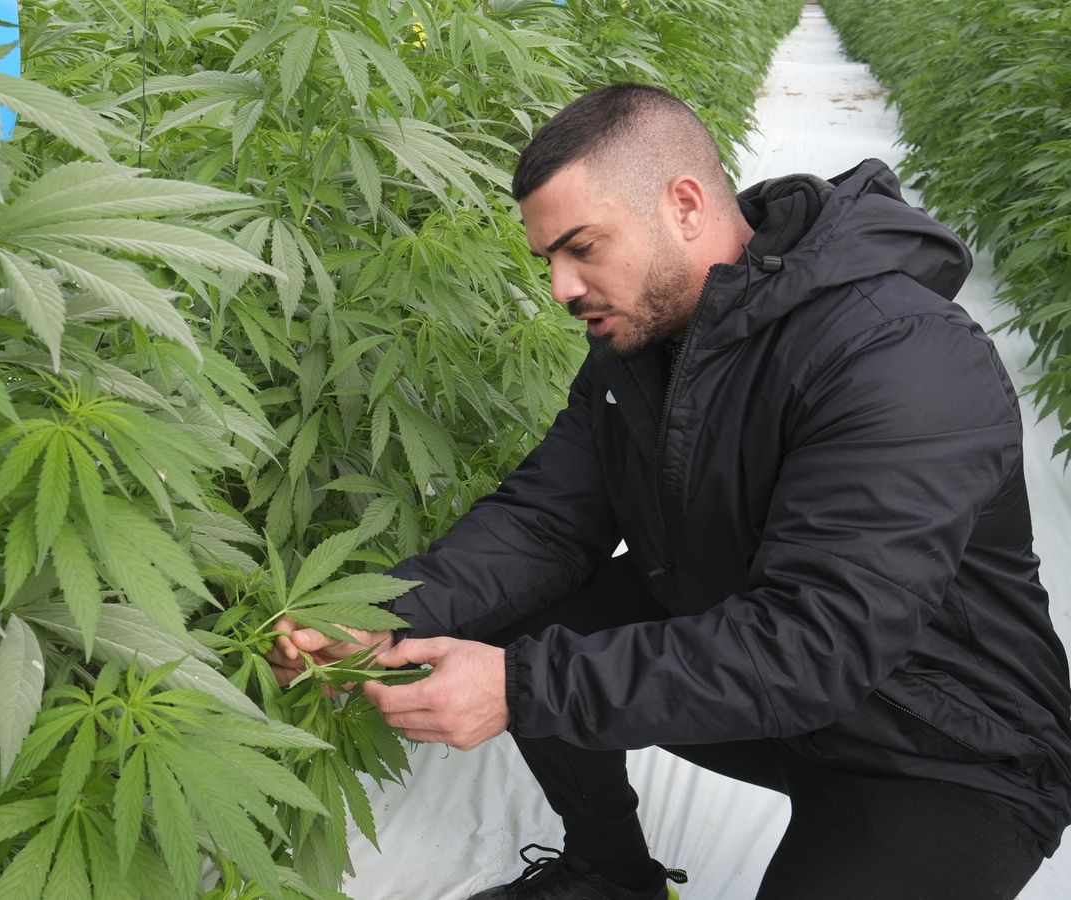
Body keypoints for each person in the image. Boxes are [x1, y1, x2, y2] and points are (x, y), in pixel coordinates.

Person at [268, 83, 1071, 900]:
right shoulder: (640, 347)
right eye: (549, 260)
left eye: (582, 247)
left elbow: (817, 645)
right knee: (525, 617)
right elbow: (545, 521)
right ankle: (611, 876)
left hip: (939, 748)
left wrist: (518, 687)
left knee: (533, 665)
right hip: (754, 682)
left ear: (684, 205)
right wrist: (382, 616)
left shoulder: (900, 354)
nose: (561, 288)